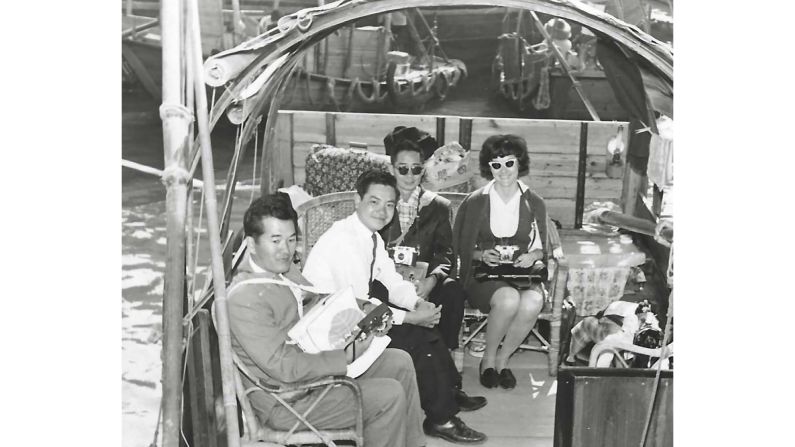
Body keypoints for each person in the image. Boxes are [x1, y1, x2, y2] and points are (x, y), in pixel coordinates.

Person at [303, 170, 487, 445]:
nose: (382, 211)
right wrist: (411, 318)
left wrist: (417, 302)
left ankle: (446, 397)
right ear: (357, 200)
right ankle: (441, 418)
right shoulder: (344, 240)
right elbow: (360, 305)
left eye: (389, 205)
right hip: (329, 335)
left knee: (425, 331)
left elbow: (390, 280)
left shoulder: (371, 236)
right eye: (374, 202)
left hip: (351, 320)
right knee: (416, 339)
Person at [227, 193, 425, 447]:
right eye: (275, 241)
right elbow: (285, 368)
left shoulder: (282, 269)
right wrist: (346, 356)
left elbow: (316, 300)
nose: (286, 250)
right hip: (288, 402)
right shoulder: (245, 297)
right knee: (388, 396)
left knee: (400, 362)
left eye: (291, 240)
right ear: (252, 245)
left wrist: (362, 308)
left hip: (312, 374)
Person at [452, 134, 562, 390]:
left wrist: (533, 256)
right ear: (488, 167)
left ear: (519, 163)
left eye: (509, 163)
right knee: (509, 299)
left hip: (522, 275)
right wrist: (480, 255)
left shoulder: (535, 202)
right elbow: (460, 246)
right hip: (485, 277)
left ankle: (503, 361)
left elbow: (541, 248)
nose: (503, 171)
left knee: (533, 302)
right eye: (496, 164)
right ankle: (488, 361)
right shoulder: (475, 201)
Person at [379, 127, 465, 351]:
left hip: (423, 281)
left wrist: (432, 281)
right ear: (391, 169)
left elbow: (446, 253)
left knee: (452, 290)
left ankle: (444, 355)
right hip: (387, 280)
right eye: (403, 169)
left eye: (416, 169)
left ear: (423, 170)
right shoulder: (379, 203)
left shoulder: (438, 206)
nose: (409, 176)